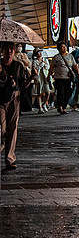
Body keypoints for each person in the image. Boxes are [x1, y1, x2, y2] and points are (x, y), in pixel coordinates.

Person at [0, 41, 36, 170]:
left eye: (12, 49)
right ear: (2, 51)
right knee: (2, 128)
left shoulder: (18, 66)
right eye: (7, 49)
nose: (9, 51)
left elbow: (23, 85)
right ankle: (2, 143)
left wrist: (32, 76)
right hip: (0, 98)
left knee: (13, 128)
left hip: (14, 97)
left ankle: (10, 159)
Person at [51, 41, 79, 115]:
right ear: (59, 49)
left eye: (65, 46)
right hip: (59, 78)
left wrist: (78, 73)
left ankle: (64, 107)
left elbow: (74, 65)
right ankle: (60, 106)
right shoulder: (56, 57)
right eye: (62, 47)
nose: (64, 48)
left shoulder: (70, 56)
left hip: (68, 77)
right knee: (60, 92)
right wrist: (49, 74)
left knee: (67, 93)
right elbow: (52, 67)